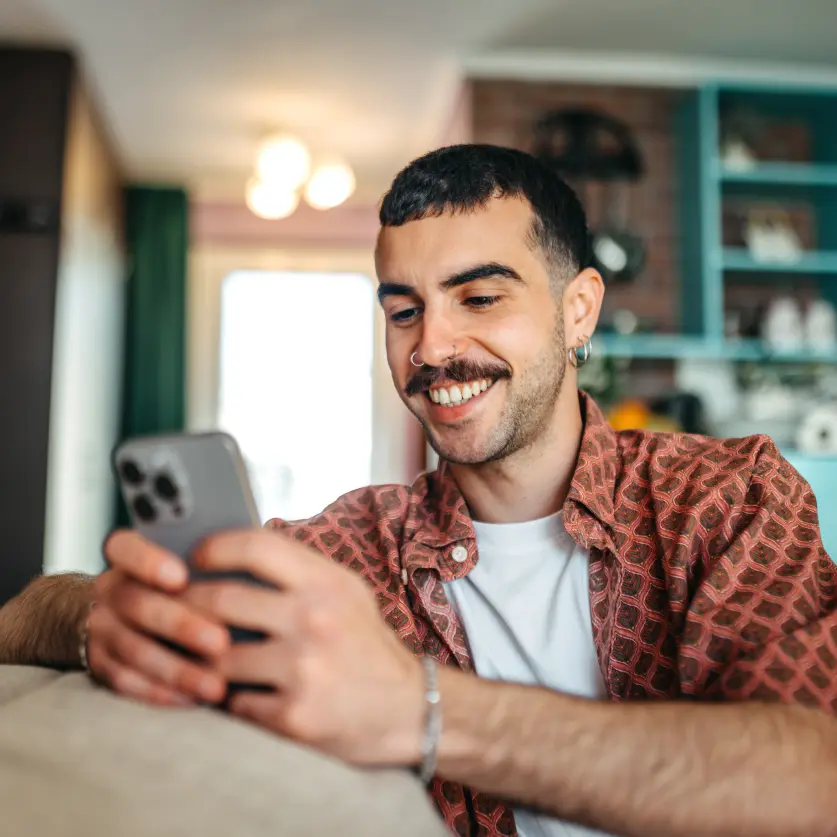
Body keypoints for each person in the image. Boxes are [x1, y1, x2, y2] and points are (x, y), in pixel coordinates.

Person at [1, 144, 836, 837]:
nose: (432, 347)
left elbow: (811, 771)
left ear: (578, 310)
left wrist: (423, 711)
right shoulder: (347, 552)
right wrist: (94, 620)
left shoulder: (730, 499)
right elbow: (20, 616)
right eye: (403, 311)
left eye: (478, 296)